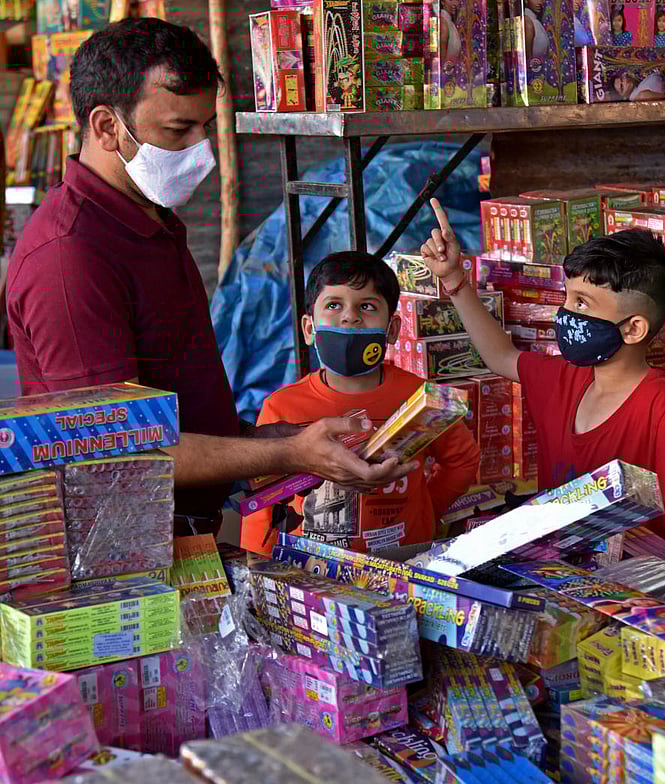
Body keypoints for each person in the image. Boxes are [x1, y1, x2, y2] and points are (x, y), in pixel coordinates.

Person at [5, 19, 415, 536]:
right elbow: (112, 451)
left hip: (183, 531)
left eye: (205, 126)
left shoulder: (150, 220)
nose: (203, 151)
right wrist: (291, 450)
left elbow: (177, 409)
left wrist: (293, 443)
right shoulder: (70, 259)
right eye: (179, 130)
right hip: (117, 553)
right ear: (108, 127)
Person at [420, 200, 665, 546]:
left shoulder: (660, 402)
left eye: (583, 303)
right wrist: (455, 280)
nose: (566, 314)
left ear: (633, 328)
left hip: (634, 590)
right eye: (567, 299)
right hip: (558, 573)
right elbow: (499, 356)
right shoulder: (561, 378)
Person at [241, 252, 480, 556]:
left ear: (392, 330)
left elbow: (463, 460)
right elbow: (262, 501)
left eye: (367, 306)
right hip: (312, 568)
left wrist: (425, 511)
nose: (349, 316)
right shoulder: (282, 407)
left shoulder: (423, 396)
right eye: (333, 305)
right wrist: (257, 569)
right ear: (309, 329)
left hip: (404, 560)